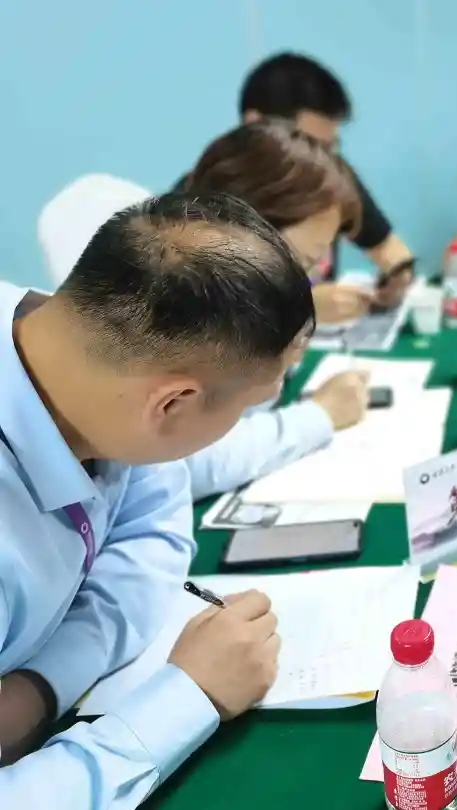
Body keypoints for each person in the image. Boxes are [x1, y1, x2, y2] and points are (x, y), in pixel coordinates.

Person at [0, 192, 308, 806]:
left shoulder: (75, 355)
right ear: (173, 403)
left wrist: (42, 684)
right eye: (249, 405)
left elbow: (152, 531)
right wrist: (189, 697)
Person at [180, 121, 371, 499]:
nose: (311, 279)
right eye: (304, 262)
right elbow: (190, 463)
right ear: (237, 231)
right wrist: (320, 415)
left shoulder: (238, 300)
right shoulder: (179, 306)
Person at [233, 53, 414, 306]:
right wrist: (306, 307)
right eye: (308, 144)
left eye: (329, 148)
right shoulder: (205, 197)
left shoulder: (331, 173)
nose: (321, 161)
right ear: (255, 124)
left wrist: (398, 275)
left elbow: (386, 247)